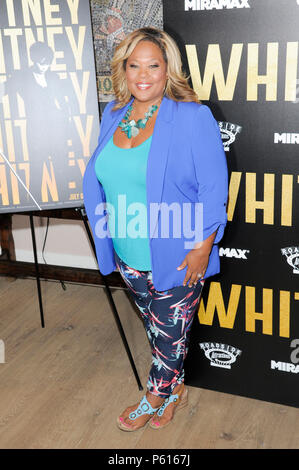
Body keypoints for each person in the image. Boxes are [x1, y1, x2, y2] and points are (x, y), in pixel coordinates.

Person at [83, 27, 228, 432]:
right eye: (134, 65)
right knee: (162, 331)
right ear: (123, 69)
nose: (143, 75)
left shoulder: (192, 117)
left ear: (168, 70)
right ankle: (175, 389)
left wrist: (202, 247)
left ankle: (152, 396)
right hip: (128, 252)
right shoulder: (112, 115)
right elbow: (103, 177)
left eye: (153, 65)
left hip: (178, 252)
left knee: (167, 334)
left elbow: (214, 188)